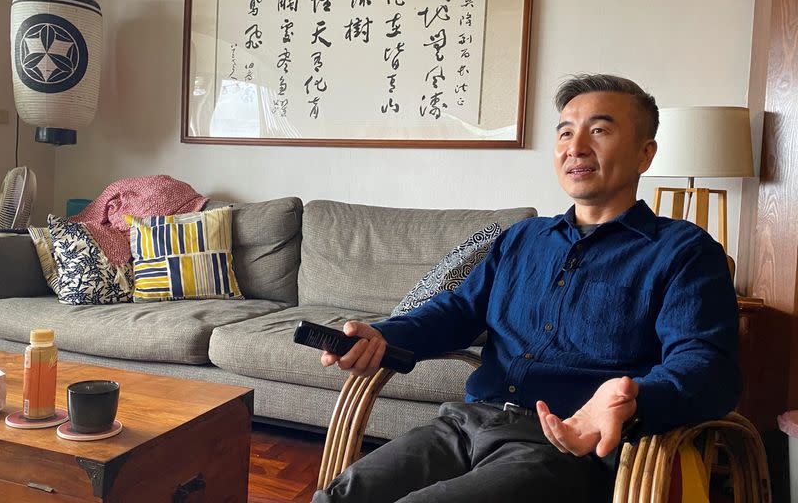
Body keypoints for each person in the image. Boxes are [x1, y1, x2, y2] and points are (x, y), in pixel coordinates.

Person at [312, 74, 740, 503]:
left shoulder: (683, 251)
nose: (576, 147)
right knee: (341, 496)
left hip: (564, 447)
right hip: (464, 425)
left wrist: (633, 400)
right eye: (566, 133)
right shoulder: (523, 239)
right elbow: (458, 311)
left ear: (645, 153)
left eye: (599, 131)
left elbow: (708, 368)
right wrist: (385, 335)